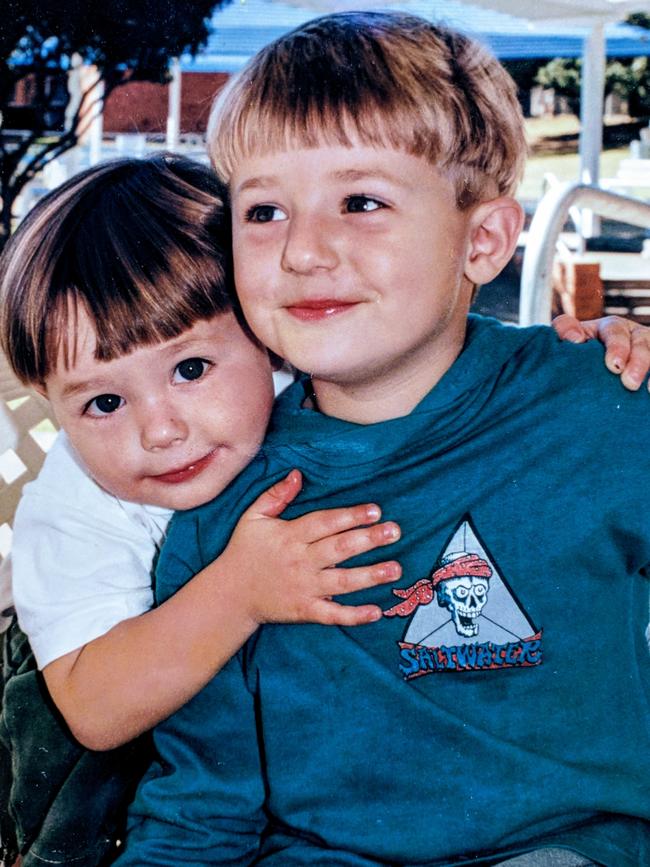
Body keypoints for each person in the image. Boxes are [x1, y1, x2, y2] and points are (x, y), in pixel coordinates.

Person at [117, 12, 650, 867]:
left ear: (482, 241)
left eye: (360, 201)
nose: (302, 250)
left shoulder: (605, 404)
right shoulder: (223, 505)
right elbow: (202, 806)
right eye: (263, 211)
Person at [0, 154, 404, 866]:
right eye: (104, 402)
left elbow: (432, 360)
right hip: (118, 798)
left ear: (264, 329)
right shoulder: (75, 505)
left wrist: (583, 347)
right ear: (50, 404)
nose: (159, 430)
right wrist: (239, 591)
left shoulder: (306, 388)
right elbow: (94, 711)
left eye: (190, 369)